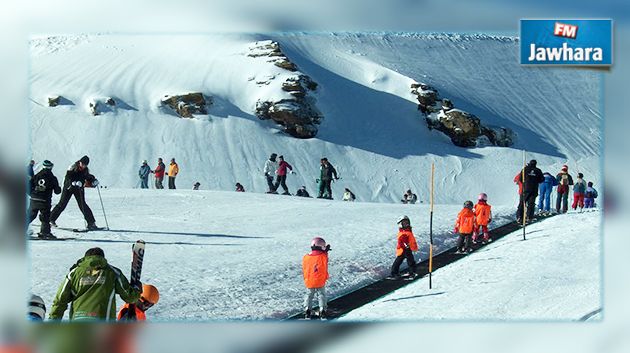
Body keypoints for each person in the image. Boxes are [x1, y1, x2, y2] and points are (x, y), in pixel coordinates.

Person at [49, 247, 141, 321]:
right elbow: (130, 297)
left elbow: (60, 300)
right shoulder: (113, 273)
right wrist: (137, 290)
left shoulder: (74, 273)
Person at [50, 155, 100, 230]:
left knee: (83, 205)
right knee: (62, 204)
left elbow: (87, 177)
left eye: (85, 165)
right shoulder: (72, 167)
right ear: (79, 162)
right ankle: (50, 219)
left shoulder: (85, 170)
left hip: (79, 188)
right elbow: (68, 177)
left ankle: (91, 223)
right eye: (82, 164)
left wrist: (93, 181)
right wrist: (72, 183)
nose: (83, 166)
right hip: (68, 188)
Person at [27, 160, 61, 239]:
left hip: (34, 199)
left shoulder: (37, 175)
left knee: (30, 215)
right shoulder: (52, 178)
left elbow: (28, 185)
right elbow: (57, 191)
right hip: (44, 200)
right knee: (45, 217)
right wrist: (58, 188)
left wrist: (32, 194)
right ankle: (45, 233)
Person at [302, 237, 330, 319]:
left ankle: (307, 309)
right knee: (321, 295)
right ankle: (322, 310)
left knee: (309, 295)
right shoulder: (322, 256)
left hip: (309, 280)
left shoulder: (306, 257)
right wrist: (326, 251)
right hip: (320, 280)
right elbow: (325, 259)